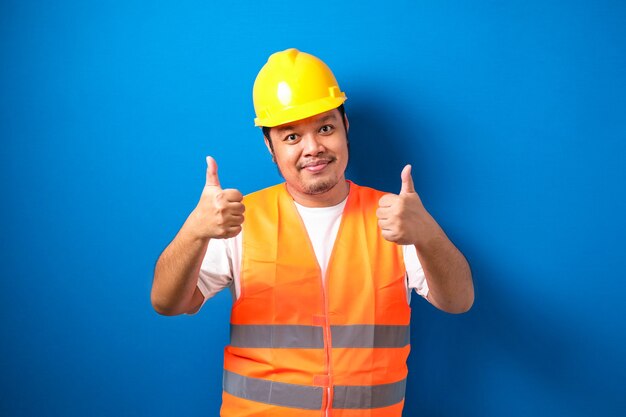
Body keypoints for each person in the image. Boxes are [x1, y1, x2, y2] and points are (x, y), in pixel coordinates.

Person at [151, 48, 474, 417]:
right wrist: (193, 233)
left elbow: (458, 300)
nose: (313, 148)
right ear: (269, 146)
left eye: (325, 127)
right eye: (291, 137)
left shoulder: (396, 216)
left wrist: (428, 234)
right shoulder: (239, 219)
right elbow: (168, 303)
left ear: (345, 128)